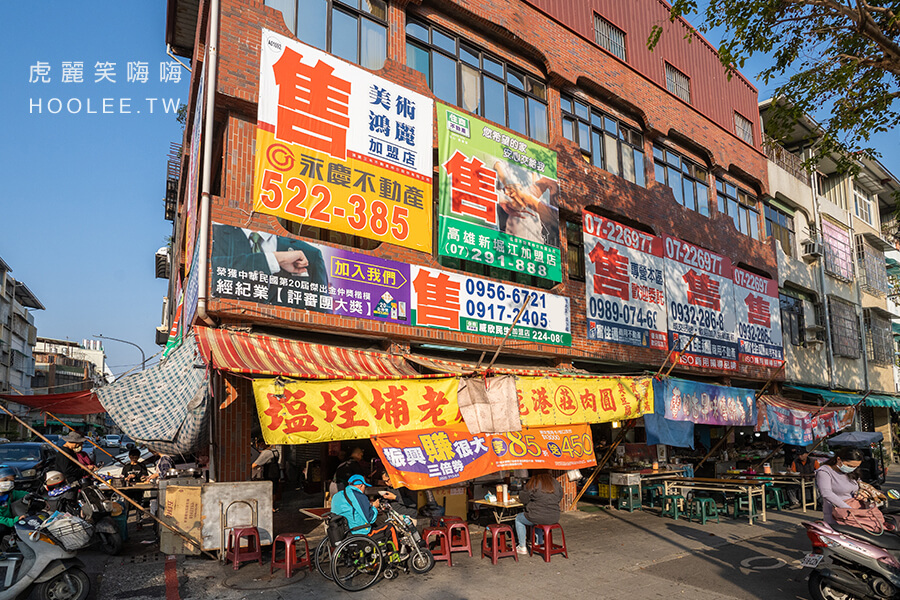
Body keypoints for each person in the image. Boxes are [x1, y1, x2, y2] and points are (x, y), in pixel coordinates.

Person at [515, 472, 563, 554]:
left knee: (519, 518)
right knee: (536, 518)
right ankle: (539, 542)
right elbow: (560, 497)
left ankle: (522, 546)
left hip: (537, 516)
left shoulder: (534, 482)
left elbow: (524, 498)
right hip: (554, 516)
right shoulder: (555, 482)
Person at [816, 448, 864, 526]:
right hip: (837, 514)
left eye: (855, 467)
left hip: (854, 512)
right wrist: (848, 508)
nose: (852, 468)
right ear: (839, 459)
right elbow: (826, 493)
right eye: (849, 466)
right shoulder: (824, 471)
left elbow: (860, 485)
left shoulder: (852, 472)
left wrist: (861, 493)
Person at [0, 467, 28, 539]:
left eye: (11, 480)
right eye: (5, 480)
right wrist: (14, 521)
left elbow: (25, 494)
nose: (8, 482)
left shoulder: (9, 494)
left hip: (8, 521)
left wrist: (42, 499)